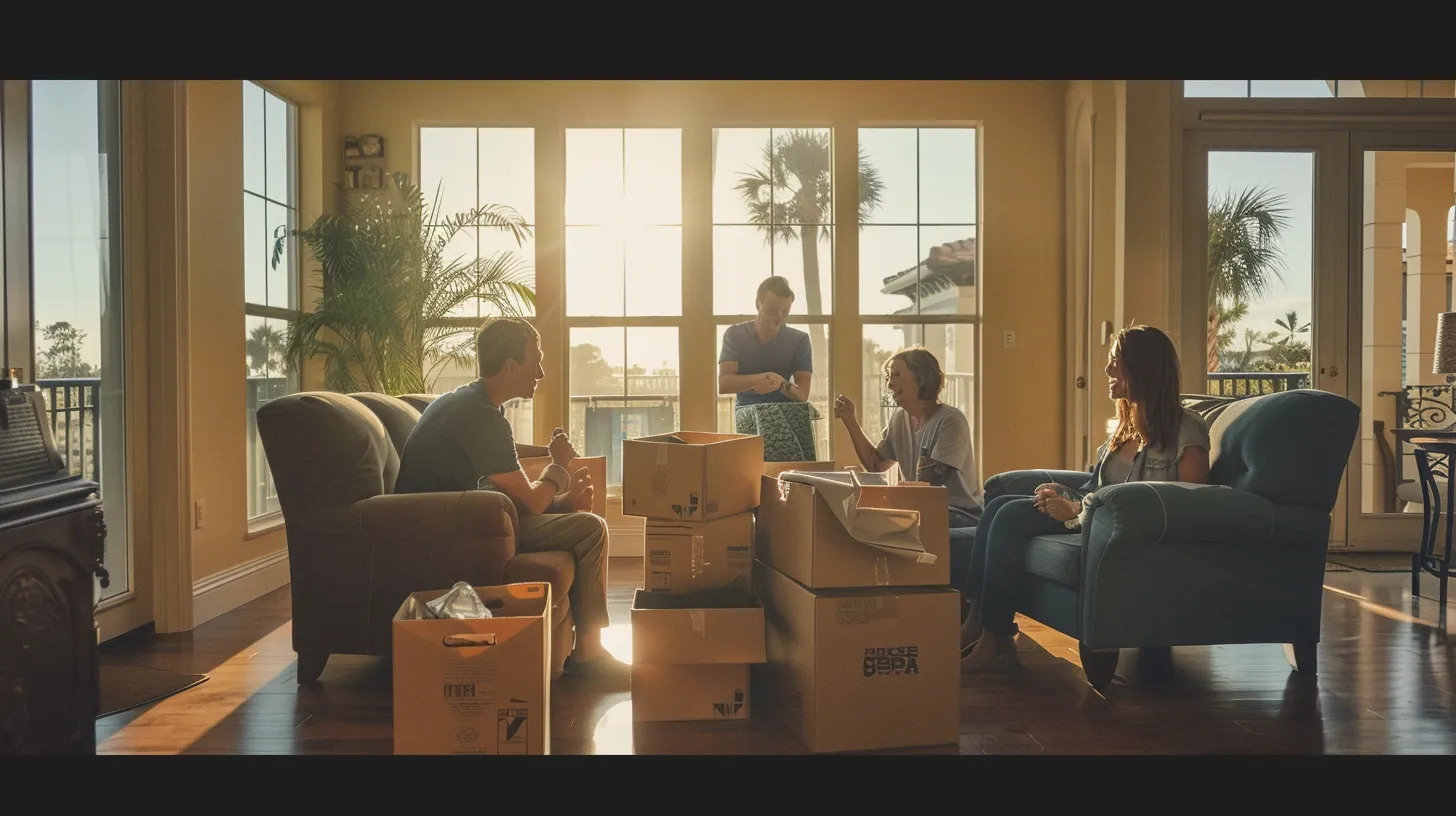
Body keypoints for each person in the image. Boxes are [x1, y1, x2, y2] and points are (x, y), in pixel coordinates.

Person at [959, 324, 1211, 672]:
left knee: (1008, 517)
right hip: (1092, 520)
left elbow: (1188, 506)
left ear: (1143, 367)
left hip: (1124, 536)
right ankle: (977, 621)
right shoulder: (1124, 429)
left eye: (1115, 361)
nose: (1107, 370)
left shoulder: (1187, 430)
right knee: (1000, 507)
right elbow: (1099, 489)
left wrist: (1076, 512)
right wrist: (1062, 496)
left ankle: (992, 637)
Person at [394, 316, 627, 684]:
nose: (541, 372)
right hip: (449, 532)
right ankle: (588, 655)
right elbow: (532, 503)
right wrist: (558, 467)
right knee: (592, 528)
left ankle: (589, 650)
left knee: (573, 515)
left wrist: (560, 493)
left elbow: (507, 468)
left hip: (466, 519)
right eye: (536, 361)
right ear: (511, 366)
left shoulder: (471, 404)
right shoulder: (481, 416)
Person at [832, 346, 984, 529]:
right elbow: (876, 465)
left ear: (921, 379)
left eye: (896, 374)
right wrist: (850, 420)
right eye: (888, 376)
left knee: (878, 523)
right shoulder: (899, 418)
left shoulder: (951, 421)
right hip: (920, 509)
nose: (889, 384)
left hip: (959, 514)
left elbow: (929, 487)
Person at [718, 276, 813, 408]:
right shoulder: (735, 334)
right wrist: (766, 378)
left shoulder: (800, 339)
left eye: (785, 312)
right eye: (772, 310)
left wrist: (781, 384)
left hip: (788, 412)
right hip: (748, 410)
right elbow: (725, 384)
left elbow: (802, 394)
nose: (779, 317)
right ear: (758, 304)